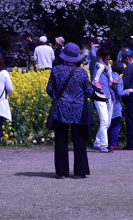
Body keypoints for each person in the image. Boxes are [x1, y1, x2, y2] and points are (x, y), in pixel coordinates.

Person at [47, 42, 94, 179]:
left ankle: (62, 172)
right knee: (79, 141)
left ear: (64, 56)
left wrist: (58, 96)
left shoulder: (55, 70)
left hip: (60, 110)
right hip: (78, 111)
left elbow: (49, 89)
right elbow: (89, 92)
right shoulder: (82, 72)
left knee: (61, 140)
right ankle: (80, 171)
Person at [92, 50, 113, 153]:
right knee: (104, 121)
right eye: (106, 59)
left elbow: (110, 81)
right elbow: (93, 55)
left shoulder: (108, 68)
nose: (108, 61)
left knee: (107, 122)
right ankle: (104, 145)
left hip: (108, 95)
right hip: (99, 96)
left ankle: (97, 142)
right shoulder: (97, 66)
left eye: (109, 59)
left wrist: (113, 82)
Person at [107, 62, 130, 150]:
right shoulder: (118, 78)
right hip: (115, 104)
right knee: (116, 124)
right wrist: (129, 90)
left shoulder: (108, 75)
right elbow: (120, 93)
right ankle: (113, 143)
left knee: (108, 124)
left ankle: (107, 142)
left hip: (108, 102)